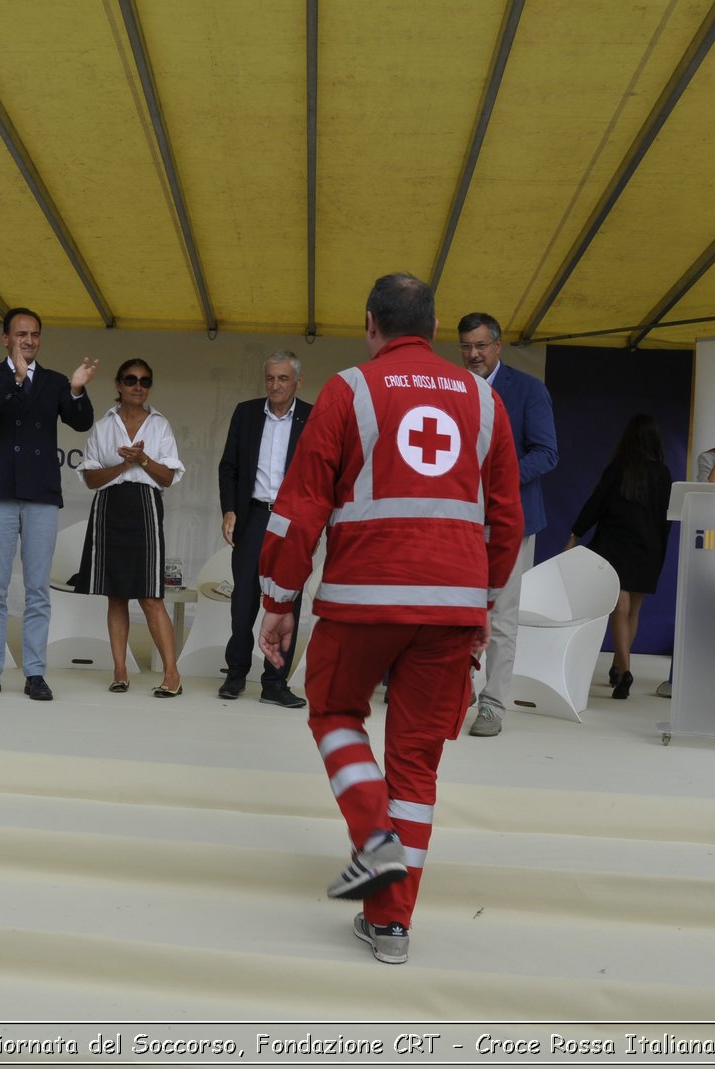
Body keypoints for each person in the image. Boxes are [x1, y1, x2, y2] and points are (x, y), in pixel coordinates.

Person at [259, 273, 522, 966]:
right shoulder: (485, 399)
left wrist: (277, 601)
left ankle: (374, 838)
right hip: (453, 606)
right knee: (417, 764)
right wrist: (485, 603)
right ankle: (392, 924)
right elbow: (508, 519)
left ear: (370, 324)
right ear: (434, 330)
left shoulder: (349, 390)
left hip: (364, 599)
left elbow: (301, 507)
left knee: (334, 712)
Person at [0, 308, 98, 701]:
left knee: (38, 588)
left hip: (40, 494)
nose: (28, 340)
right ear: (5, 339)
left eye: (35, 334)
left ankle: (35, 672)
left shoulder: (56, 381)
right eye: (21, 334)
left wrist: (76, 390)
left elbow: (82, 422)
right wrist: (16, 380)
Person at [457, 311, 558, 737]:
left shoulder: (528, 389)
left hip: (508, 523)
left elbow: (547, 453)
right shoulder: (453, 387)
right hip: (458, 522)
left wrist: (496, 481)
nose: (474, 354)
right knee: (456, 614)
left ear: (498, 346)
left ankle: (492, 705)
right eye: (466, 346)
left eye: (481, 345)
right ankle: (454, 695)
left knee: (500, 617)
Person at [77, 359, 185, 696]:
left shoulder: (160, 425)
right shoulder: (103, 425)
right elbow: (91, 479)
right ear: (119, 384)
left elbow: (168, 477)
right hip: (109, 507)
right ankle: (120, 670)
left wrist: (142, 461)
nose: (138, 386)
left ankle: (172, 674)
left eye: (145, 381)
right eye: (131, 379)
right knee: (116, 595)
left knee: (151, 596)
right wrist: (123, 464)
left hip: (145, 506)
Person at [216, 352, 314, 706]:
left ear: (298, 382)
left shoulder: (313, 417)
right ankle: (237, 673)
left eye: (283, 379)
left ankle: (274, 682)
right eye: (270, 378)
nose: (275, 385)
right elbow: (228, 467)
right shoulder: (246, 413)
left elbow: (320, 475)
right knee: (243, 600)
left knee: (287, 600)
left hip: (292, 522)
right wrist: (230, 510)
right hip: (254, 516)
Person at [564, 414, 672, 699]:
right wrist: (660, 553)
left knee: (618, 609)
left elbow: (596, 504)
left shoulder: (619, 468)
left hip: (615, 546)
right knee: (633, 611)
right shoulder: (663, 474)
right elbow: (667, 520)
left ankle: (624, 670)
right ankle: (619, 665)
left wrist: (576, 533)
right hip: (648, 549)